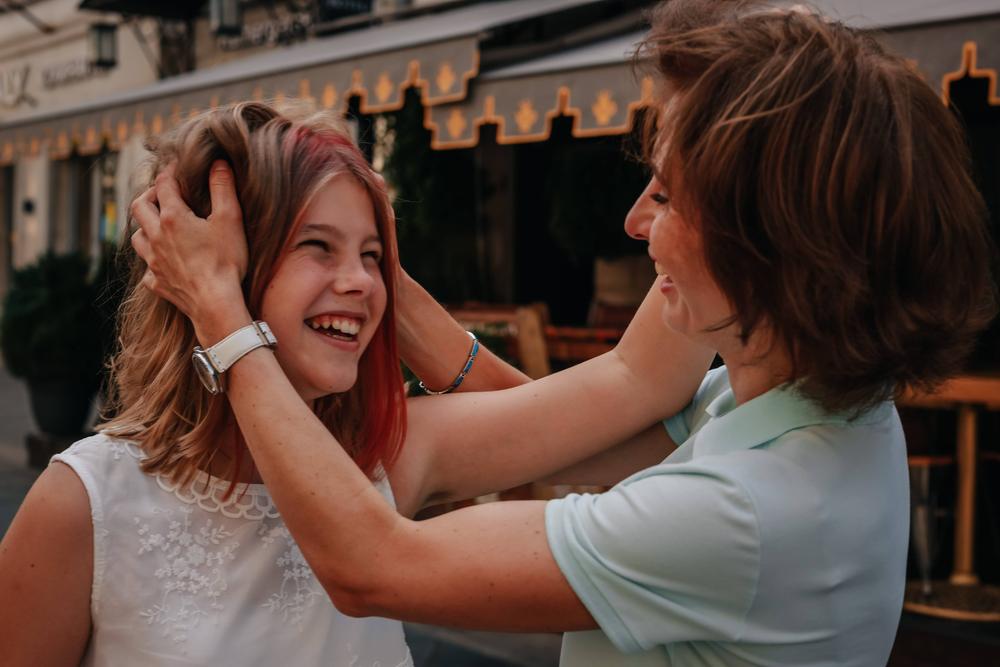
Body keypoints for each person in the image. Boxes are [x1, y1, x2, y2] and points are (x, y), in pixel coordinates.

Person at [127, 1, 997, 666]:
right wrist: (372, 277)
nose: (633, 220)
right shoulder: (800, 386)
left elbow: (372, 564)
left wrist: (222, 310)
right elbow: (611, 400)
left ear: (770, 247)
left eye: (667, 194)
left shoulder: (753, 515)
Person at [0, 101, 711, 663]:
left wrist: (723, 158)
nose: (360, 281)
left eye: (374, 256)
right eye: (318, 246)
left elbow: (630, 387)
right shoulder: (82, 504)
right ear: (222, 270)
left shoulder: (386, 452)